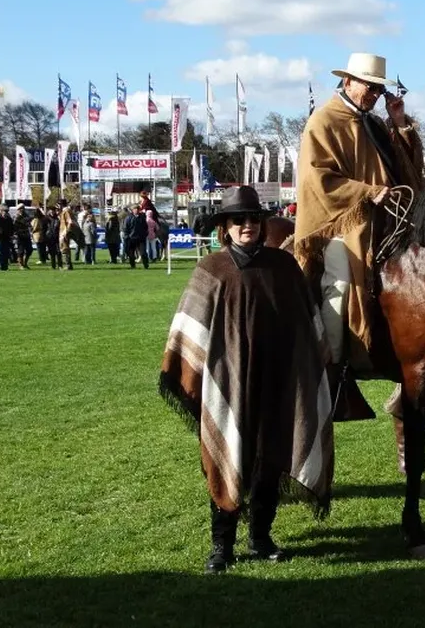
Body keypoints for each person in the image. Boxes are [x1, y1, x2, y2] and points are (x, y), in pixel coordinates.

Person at [293, 53, 425, 469]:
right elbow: (317, 179)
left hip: (393, 223)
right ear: (350, 82)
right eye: (370, 87)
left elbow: (408, 170)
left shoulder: (374, 122)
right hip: (345, 227)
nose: (376, 95)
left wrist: (398, 123)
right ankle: (334, 369)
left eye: (381, 89)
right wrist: (366, 192)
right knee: (338, 290)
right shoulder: (323, 121)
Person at [159, 185, 334, 574]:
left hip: (279, 381)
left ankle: (260, 537)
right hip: (229, 382)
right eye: (238, 220)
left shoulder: (284, 267)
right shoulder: (212, 269)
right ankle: (222, 545)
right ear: (225, 227)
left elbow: (308, 322)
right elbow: (191, 328)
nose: (247, 226)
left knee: (269, 460)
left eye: (253, 219)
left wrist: (312, 363)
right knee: (227, 458)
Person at [0, 205, 14, 271]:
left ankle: (5, 267)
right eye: (5, 211)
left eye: (7, 212)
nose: (6, 213)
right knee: (0, 253)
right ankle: (1, 266)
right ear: (1, 211)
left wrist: (11, 235)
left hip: (7, 238)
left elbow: (12, 228)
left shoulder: (9, 219)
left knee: (6, 253)